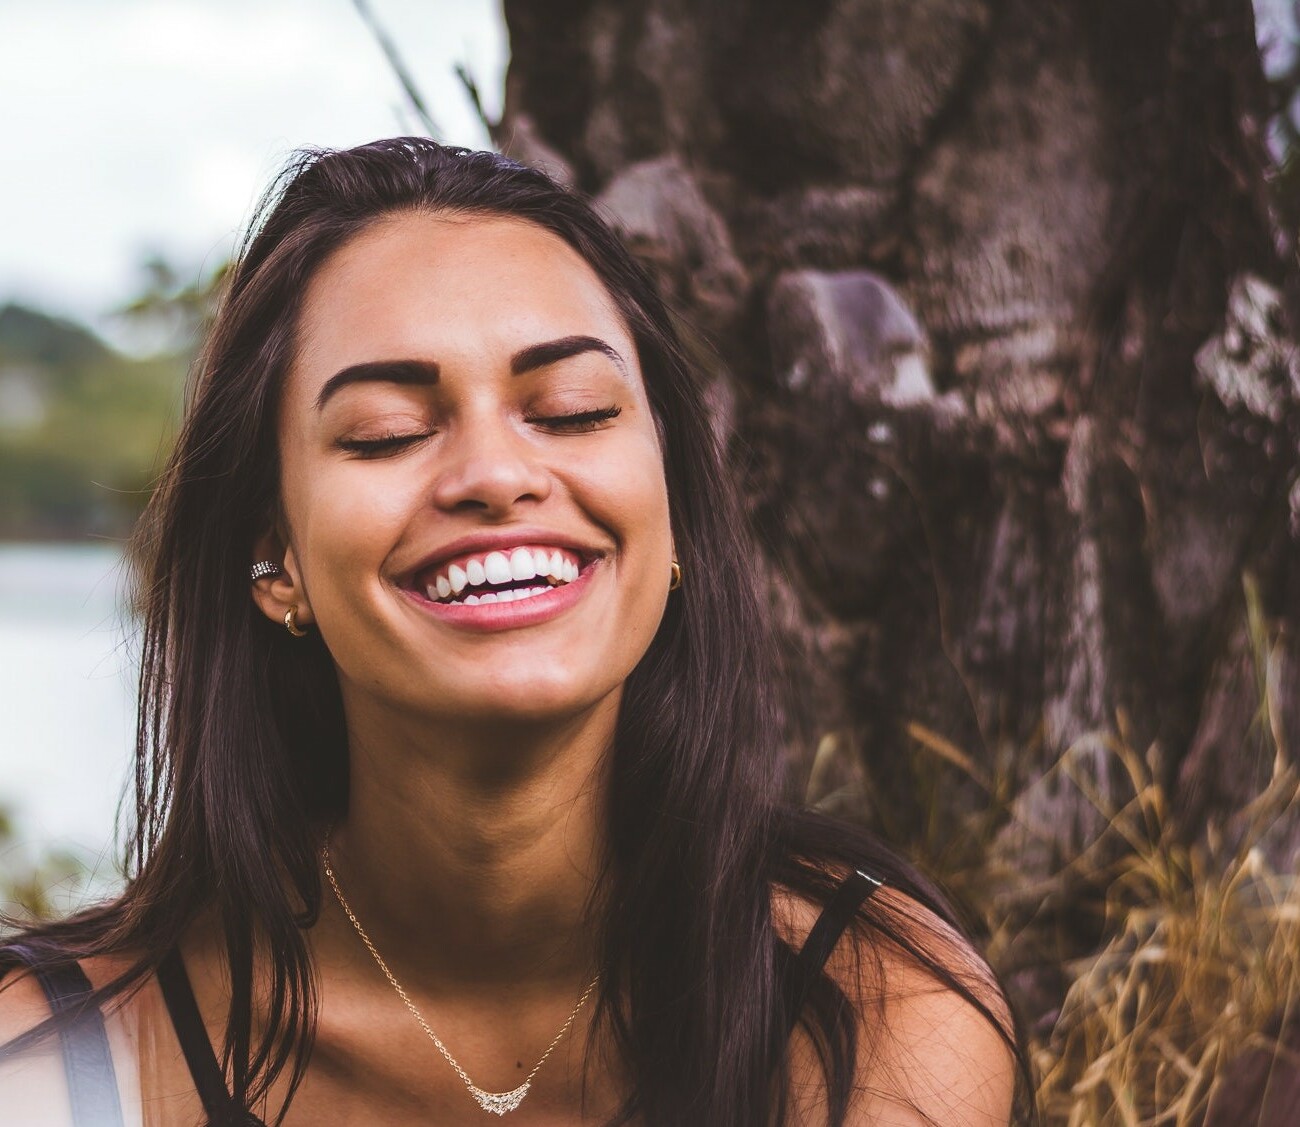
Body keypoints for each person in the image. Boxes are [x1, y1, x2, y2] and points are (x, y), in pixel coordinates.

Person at [0, 137, 1028, 1125]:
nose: (495, 473)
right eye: (386, 433)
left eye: (575, 410)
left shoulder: (866, 1012)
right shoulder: (54, 1061)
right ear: (279, 561)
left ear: (667, 512)